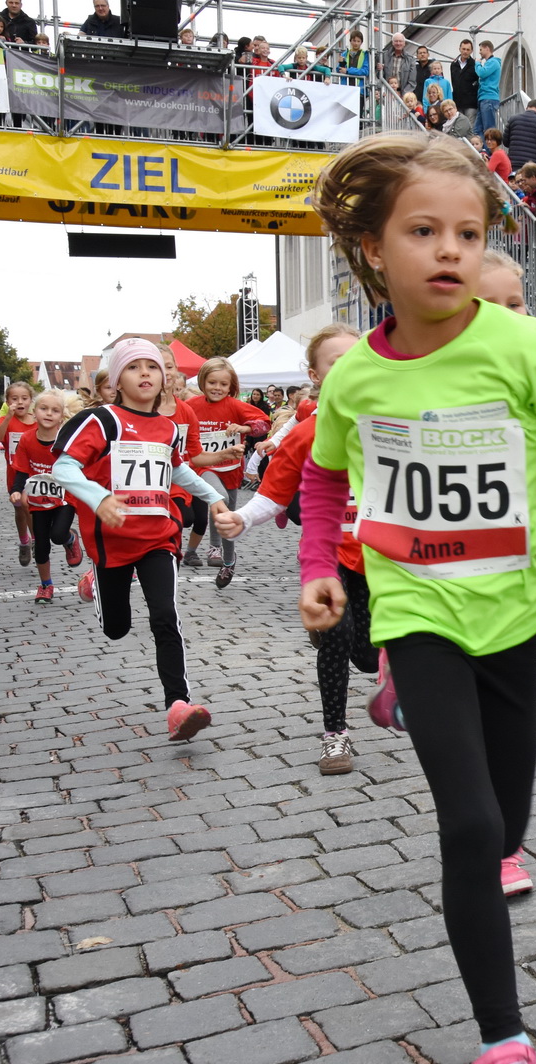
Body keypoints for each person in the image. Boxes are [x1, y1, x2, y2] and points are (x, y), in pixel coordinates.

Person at [303, 133, 536, 1064]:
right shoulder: (354, 379)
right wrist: (320, 566)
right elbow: (327, 475)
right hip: (416, 610)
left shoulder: (524, 346)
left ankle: (490, 852)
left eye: (467, 231)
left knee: (506, 822)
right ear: (372, 248)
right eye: (423, 231)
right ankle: (504, 1045)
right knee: (468, 826)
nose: (449, 250)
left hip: (517, 610)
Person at [215, 325, 376, 775]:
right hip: (327, 556)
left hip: (381, 558)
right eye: (335, 362)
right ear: (316, 374)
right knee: (338, 638)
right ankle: (335, 737)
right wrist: (241, 518)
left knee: (367, 655)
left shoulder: (394, 422)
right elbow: (275, 494)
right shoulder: (305, 433)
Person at [53, 338, 227, 740]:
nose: (145, 373)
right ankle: (94, 581)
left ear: (164, 379)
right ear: (116, 380)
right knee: (116, 628)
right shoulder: (102, 421)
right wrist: (99, 500)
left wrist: (215, 499)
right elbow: (64, 468)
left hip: (157, 538)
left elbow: (178, 470)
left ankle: (178, 706)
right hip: (110, 542)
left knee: (165, 617)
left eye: (152, 366)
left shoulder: (167, 428)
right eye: (134, 367)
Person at [183, 357, 268, 587]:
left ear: (231, 387)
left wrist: (245, 428)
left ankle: (229, 561)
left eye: (223, 384)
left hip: (231, 468)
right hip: (204, 465)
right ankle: (214, 547)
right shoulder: (192, 406)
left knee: (228, 515)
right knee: (216, 497)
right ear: (203, 382)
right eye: (212, 382)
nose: (217, 388)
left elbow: (264, 424)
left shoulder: (236, 405)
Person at [10, 389, 83, 603]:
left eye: (55, 410)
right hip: (38, 499)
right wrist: (16, 489)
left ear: (62, 416)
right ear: (34, 412)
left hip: (65, 497)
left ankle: (70, 538)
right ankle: (46, 586)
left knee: (58, 535)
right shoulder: (26, 439)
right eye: (44, 409)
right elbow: (22, 470)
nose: (49, 414)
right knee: (41, 545)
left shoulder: (67, 440)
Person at [0, 379, 38, 564]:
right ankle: (24, 542)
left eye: (24, 398)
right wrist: (8, 418)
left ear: (31, 400)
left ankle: (36, 540)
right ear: (8, 402)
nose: (20, 402)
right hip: (15, 473)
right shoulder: (6, 420)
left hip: (35, 472)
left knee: (30, 508)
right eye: (14, 398)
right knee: (20, 510)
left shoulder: (37, 419)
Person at [504, 98, 536, 170]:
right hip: (533, 164)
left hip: (514, 162)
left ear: (527, 108)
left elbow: (505, 141)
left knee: (516, 180)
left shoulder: (513, 119)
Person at [473, 39, 500, 137]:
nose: (479, 52)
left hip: (489, 97)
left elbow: (482, 73)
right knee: (477, 129)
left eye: (481, 50)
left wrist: (477, 63)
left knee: (489, 128)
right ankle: (484, 149)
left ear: (487, 49)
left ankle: (490, 150)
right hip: (484, 97)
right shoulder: (490, 63)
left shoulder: (493, 62)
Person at [382, 30, 415, 99]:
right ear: (392, 43)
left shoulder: (410, 59)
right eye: (396, 41)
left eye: (400, 41)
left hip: (402, 96)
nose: (398, 43)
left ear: (404, 43)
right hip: (386, 94)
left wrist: (403, 95)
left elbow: (412, 82)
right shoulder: (384, 56)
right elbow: (379, 75)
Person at [449, 37, 477, 111]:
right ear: (460, 49)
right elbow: (453, 82)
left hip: (471, 104)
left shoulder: (475, 65)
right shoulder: (453, 65)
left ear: (471, 51)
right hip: (457, 103)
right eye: (463, 49)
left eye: (468, 50)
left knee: (470, 122)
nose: (465, 51)